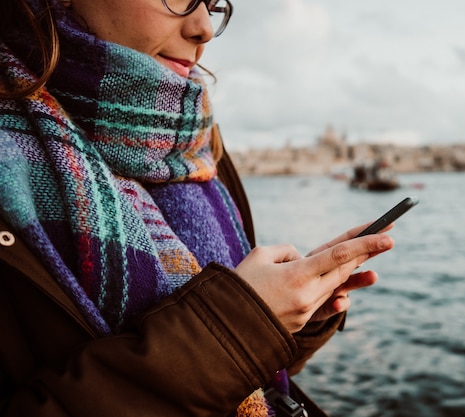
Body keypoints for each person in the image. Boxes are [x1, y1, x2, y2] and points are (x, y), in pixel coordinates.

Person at [0, 0, 395, 416]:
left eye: (213, 4)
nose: (204, 28)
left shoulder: (197, 145)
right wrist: (236, 327)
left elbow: (234, 386)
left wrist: (284, 320)